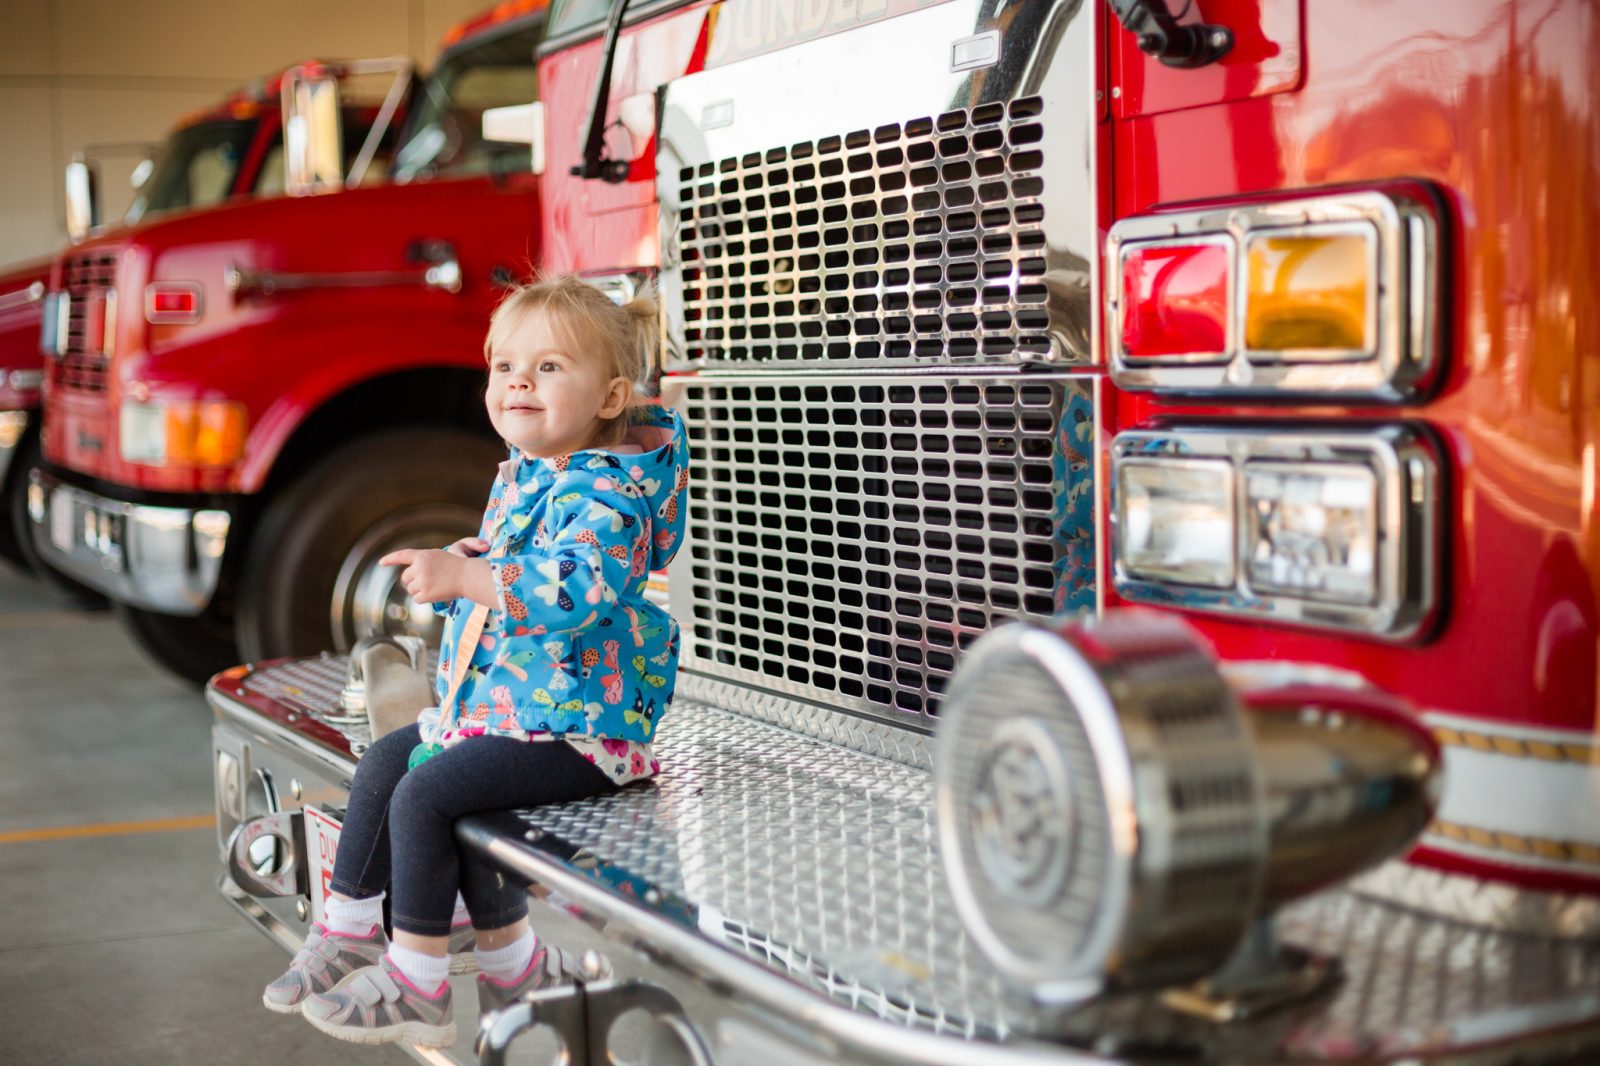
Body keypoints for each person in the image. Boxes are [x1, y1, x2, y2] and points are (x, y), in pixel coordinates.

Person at [261, 274, 690, 1048]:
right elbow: (520, 563)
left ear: (610, 396)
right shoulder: (532, 475)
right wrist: (475, 558)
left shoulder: (612, 491)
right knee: (387, 761)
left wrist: (470, 580)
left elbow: (575, 591)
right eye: (504, 366)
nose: (519, 380)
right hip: (516, 711)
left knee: (427, 795)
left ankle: (418, 981)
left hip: (585, 731)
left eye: (550, 368)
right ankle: (354, 928)